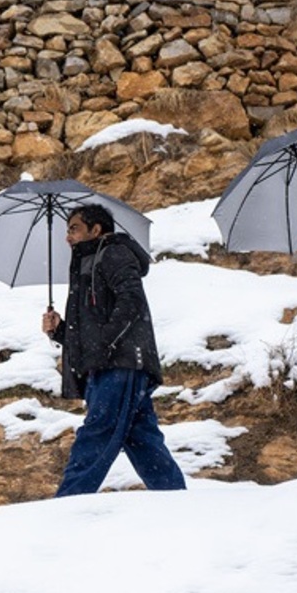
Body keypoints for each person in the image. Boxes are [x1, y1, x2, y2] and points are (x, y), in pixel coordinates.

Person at [41, 203, 186, 497]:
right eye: (67, 230)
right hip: (110, 363)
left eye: (74, 229)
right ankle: (175, 498)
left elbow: (131, 301)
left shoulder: (113, 253)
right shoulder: (88, 264)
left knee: (97, 433)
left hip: (120, 364)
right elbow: (92, 328)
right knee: (142, 440)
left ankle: (66, 504)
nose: (68, 237)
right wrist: (58, 330)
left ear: (96, 230)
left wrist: (105, 343)